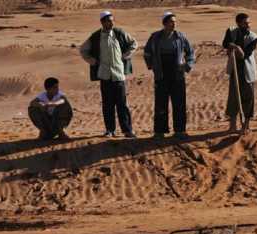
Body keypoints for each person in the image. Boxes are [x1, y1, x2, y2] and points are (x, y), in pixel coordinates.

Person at [80, 10, 138, 138]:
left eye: (112, 21)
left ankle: (127, 130)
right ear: (102, 22)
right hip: (104, 75)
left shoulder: (119, 33)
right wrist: (92, 61)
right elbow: (83, 50)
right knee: (108, 105)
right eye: (109, 21)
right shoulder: (95, 37)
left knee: (122, 104)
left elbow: (134, 44)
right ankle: (110, 130)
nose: (111, 23)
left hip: (118, 75)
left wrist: (126, 56)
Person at [144, 11, 195, 140]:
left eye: (175, 22)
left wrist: (187, 65)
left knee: (179, 103)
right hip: (161, 74)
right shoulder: (155, 37)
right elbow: (147, 52)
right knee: (161, 103)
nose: (174, 24)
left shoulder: (180, 37)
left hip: (177, 74)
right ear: (165, 23)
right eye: (171, 21)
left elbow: (190, 53)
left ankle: (180, 131)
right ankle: (160, 132)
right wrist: (152, 66)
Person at [223, 13, 257, 133]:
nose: (248, 25)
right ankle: (232, 126)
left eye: (249, 23)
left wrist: (236, 47)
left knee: (248, 98)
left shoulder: (254, 37)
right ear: (238, 23)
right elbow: (225, 43)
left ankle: (246, 126)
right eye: (245, 23)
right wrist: (231, 45)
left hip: (248, 71)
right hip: (235, 70)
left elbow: (244, 55)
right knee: (233, 98)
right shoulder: (231, 31)